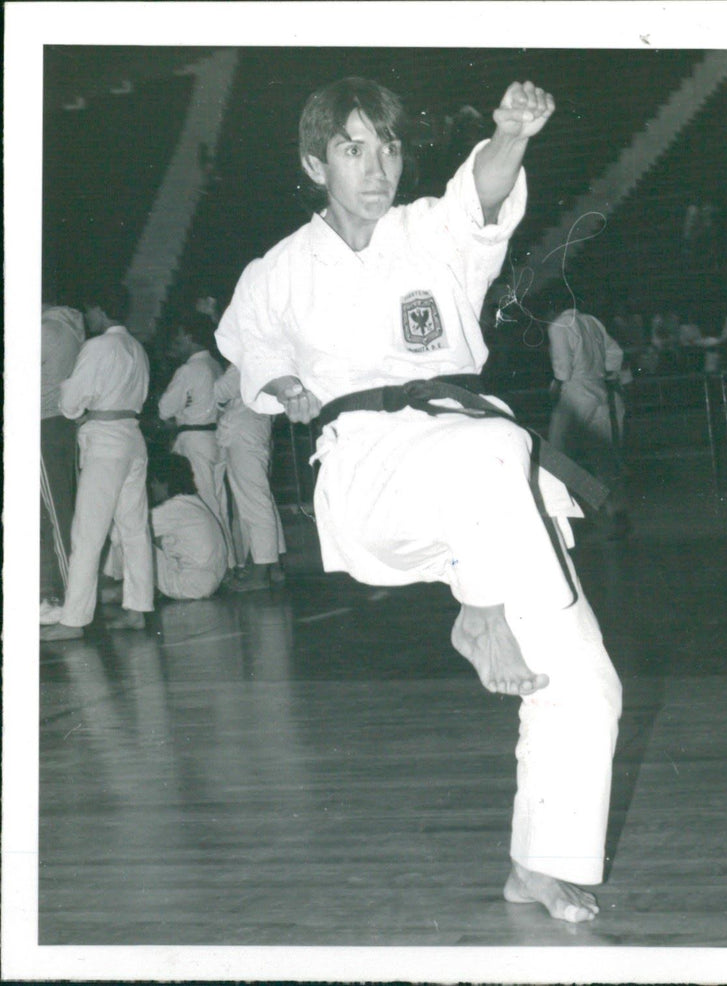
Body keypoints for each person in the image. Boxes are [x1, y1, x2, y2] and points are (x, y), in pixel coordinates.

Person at [216, 76, 622, 923]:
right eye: (353, 147)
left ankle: (539, 864)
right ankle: (480, 614)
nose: (377, 166)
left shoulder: (428, 234)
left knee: (584, 681)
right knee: (494, 446)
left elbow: (480, 197)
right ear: (313, 161)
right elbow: (249, 347)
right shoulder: (278, 269)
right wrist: (284, 381)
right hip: (375, 474)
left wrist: (513, 134)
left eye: (390, 145)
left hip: (486, 486)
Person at [40, 283, 154, 640]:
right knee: (134, 530)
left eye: (89, 312)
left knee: (87, 532)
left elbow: (72, 400)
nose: (86, 318)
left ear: (99, 311)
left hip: (105, 441)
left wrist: (68, 402)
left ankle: (73, 621)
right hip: (132, 437)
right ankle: (138, 609)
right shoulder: (136, 348)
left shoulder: (98, 347)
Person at [158, 310, 235, 567]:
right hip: (215, 437)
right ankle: (231, 562)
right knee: (218, 501)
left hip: (193, 438)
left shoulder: (189, 369)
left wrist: (178, 409)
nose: (176, 341)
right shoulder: (214, 364)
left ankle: (221, 564)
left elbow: (165, 408)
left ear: (189, 336)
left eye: (179, 335)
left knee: (203, 500)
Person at [546, 303, 630, 537]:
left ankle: (575, 516)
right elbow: (615, 353)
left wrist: (557, 383)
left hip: (575, 393)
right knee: (604, 458)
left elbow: (563, 367)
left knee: (557, 459)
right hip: (600, 392)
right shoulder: (592, 321)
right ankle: (617, 512)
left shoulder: (559, 325)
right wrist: (607, 374)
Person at [215, 363, 286, 590]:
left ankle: (261, 570)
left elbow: (221, 390)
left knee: (255, 501)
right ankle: (273, 564)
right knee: (260, 498)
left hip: (244, 431)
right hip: (252, 427)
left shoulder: (245, 357)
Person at [40, 292, 86, 624]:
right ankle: (61, 591)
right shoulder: (69, 327)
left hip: (42, 423)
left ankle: (71, 597)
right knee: (59, 509)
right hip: (59, 424)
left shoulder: (46, 331)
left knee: (56, 514)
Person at [148, 451, 229, 600]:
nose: (152, 488)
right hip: (208, 582)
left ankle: (121, 590)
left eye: (153, 482)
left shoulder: (173, 509)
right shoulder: (192, 501)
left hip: (188, 586)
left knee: (129, 536)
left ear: (164, 482)